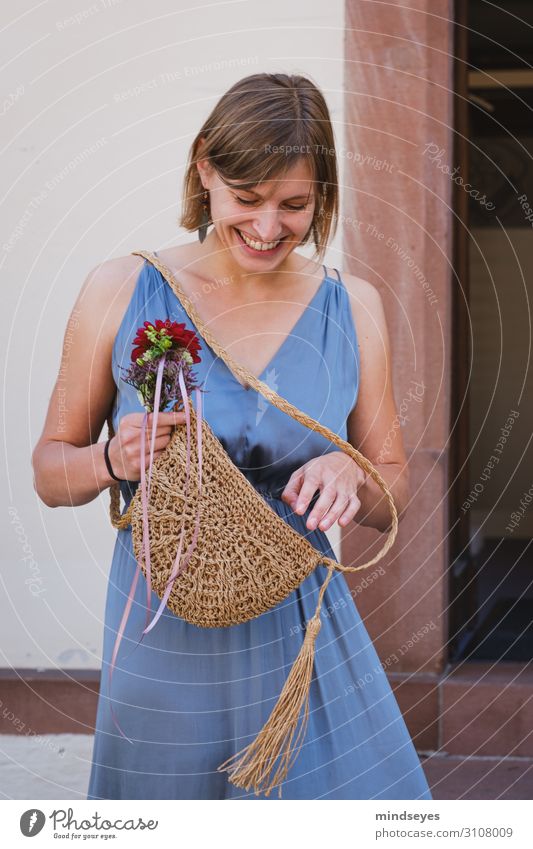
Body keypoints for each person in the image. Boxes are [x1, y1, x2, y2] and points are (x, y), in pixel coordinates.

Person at [31, 72, 432, 800]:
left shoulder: (354, 306)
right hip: (162, 641)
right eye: (246, 200)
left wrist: (353, 474)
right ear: (205, 167)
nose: (268, 227)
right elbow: (49, 470)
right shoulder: (120, 287)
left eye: (295, 206)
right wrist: (108, 458)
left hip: (303, 636)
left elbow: (393, 486)